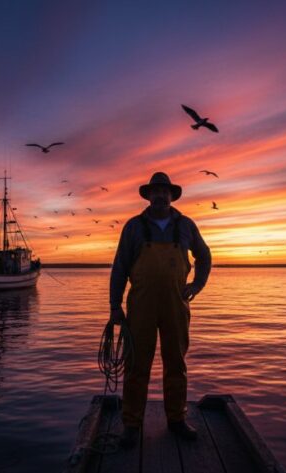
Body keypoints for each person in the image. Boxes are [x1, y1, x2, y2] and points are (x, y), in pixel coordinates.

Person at [109, 171, 212, 448]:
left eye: (164, 191)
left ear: (171, 195)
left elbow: (204, 256)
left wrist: (197, 284)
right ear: (148, 195)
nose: (160, 195)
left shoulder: (187, 225)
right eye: (155, 191)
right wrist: (114, 305)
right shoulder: (133, 227)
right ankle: (131, 425)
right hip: (140, 305)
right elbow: (119, 267)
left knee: (176, 363)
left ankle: (177, 420)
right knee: (135, 366)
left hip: (176, 305)